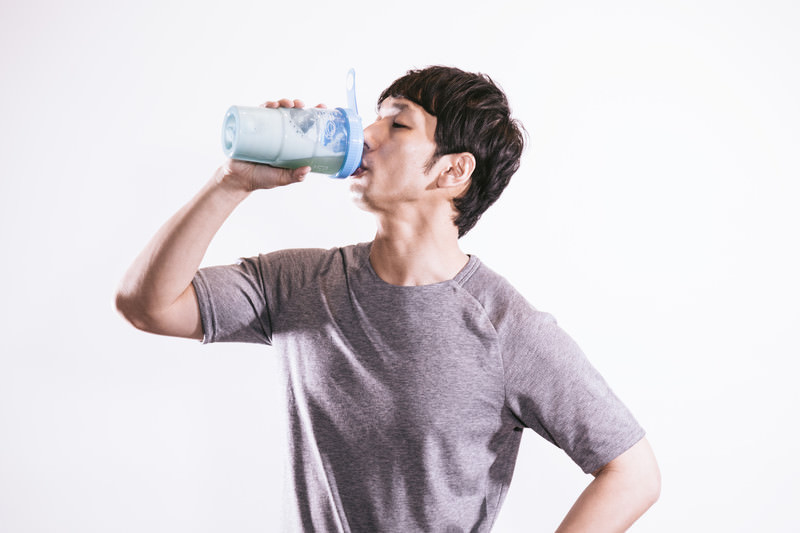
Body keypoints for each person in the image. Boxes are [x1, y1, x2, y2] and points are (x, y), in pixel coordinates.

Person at [116, 66, 660, 532]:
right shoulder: (299, 282)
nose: (367, 135)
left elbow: (633, 473)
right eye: (373, 119)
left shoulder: (505, 328)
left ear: (453, 170)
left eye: (397, 124)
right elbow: (147, 306)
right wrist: (232, 182)